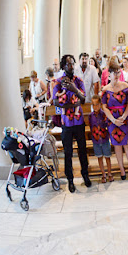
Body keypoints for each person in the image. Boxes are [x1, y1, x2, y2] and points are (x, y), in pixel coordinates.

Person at [53, 54, 91, 192]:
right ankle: (70, 179)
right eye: (69, 64)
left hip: (79, 122)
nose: (72, 66)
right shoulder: (58, 82)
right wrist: (72, 104)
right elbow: (56, 102)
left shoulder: (78, 81)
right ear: (63, 66)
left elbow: (84, 99)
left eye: (73, 64)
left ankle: (85, 175)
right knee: (68, 152)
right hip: (67, 124)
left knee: (82, 150)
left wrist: (74, 89)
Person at [101, 60, 128, 180]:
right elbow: (104, 107)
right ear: (108, 74)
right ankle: (122, 170)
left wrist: (124, 116)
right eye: (113, 73)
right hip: (112, 120)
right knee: (117, 146)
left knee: (127, 144)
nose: (116, 75)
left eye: (118, 72)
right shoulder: (105, 89)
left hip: (125, 118)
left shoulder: (125, 86)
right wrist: (114, 120)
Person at [88, 95, 113, 183]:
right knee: (99, 157)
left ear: (100, 104)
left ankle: (109, 173)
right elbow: (91, 127)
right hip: (96, 140)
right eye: (93, 105)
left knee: (107, 157)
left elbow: (107, 125)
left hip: (105, 139)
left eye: (97, 104)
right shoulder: (90, 116)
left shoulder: (104, 114)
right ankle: (103, 174)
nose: (95, 107)